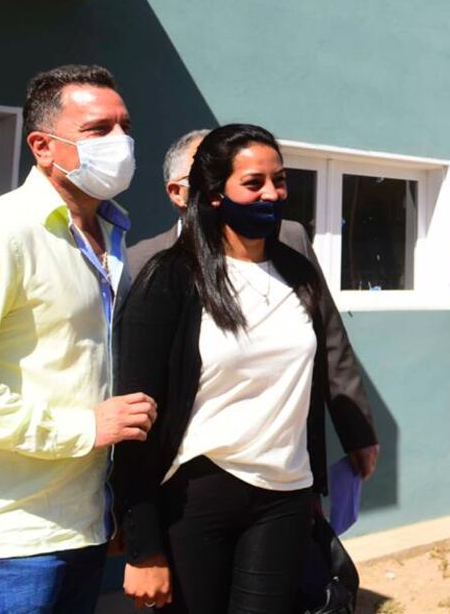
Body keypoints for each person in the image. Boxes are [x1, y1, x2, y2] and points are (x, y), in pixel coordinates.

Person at [0, 64, 158, 613]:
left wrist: (111, 502)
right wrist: (81, 429)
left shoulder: (110, 237)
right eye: (99, 129)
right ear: (43, 145)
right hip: (4, 543)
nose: (121, 142)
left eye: (125, 126)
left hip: (80, 525)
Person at [113, 124, 348, 612]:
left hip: (285, 496)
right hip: (198, 495)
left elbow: (308, 387)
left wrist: (313, 486)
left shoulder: (298, 272)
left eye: (279, 180)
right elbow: (137, 417)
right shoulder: (170, 278)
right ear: (216, 195)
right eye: (254, 182)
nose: (272, 193)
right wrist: (143, 545)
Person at [126, 128, 379, 480]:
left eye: (278, 180)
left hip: (285, 470)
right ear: (180, 192)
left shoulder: (289, 241)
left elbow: (330, 341)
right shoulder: (146, 263)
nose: (269, 195)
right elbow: (139, 383)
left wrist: (357, 432)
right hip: (194, 472)